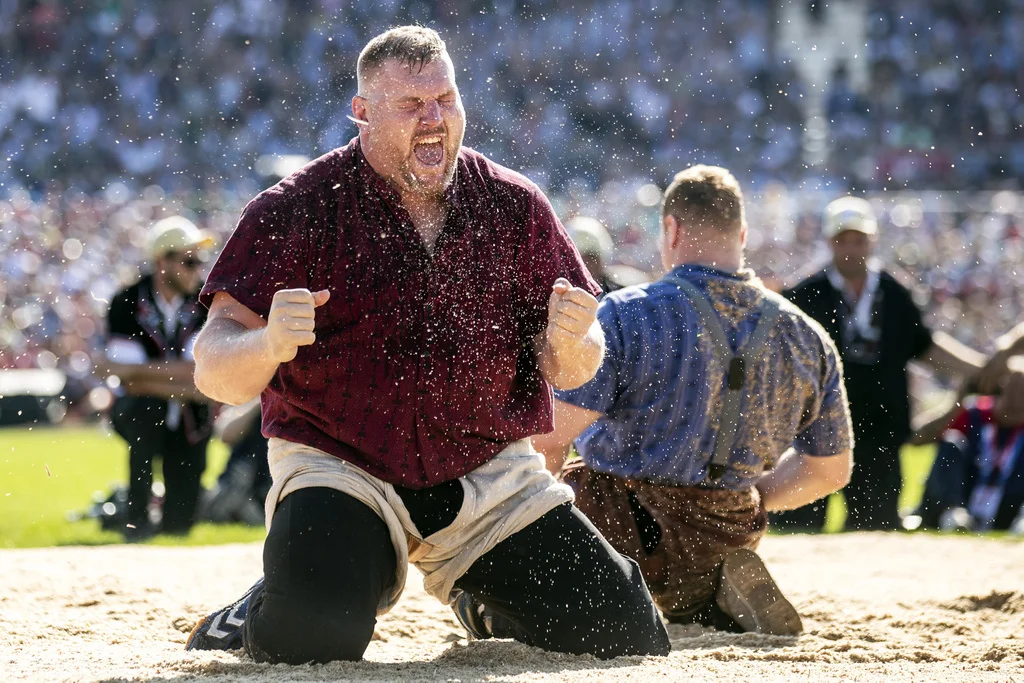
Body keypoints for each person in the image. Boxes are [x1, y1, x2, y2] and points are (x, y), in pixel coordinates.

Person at [184, 26, 669, 664]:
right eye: (412, 105)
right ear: (361, 113)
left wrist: (575, 341)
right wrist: (269, 342)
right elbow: (214, 372)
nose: (434, 119)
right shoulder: (294, 209)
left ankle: (485, 603)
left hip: (488, 475)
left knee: (627, 635)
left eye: (445, 98)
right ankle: (262, 606)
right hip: (342, 467)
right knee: (313, 637)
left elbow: (574, 364)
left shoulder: (516, 206)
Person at [532, 165, 854, 634]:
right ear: (741, 234)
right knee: (701, 571)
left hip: (621, 526)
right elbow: (830, 469)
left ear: (671, 229)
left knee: (497, 599)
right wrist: (758, 497)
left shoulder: (625, 315)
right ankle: (710, 595)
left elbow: (550, 439)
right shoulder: (808, 337)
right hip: (731, 526)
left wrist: (537, 531)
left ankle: (613, 594)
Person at [771, 196, 986, 531]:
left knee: (876, 528)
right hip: (813, 433)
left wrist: (983, 370)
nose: (851, 249)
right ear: (830, 242)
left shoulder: (895, 292)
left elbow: (925, 347)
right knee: (800, 526)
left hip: (880, 433)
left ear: (871, 242)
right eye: (843, 240)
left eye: (859, 240)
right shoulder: (806, 294)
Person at [99, 216, 214, 541]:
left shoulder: (207, 303)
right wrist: (188, 383)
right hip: (140, 414)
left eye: (200, 261)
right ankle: (135, 517)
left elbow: (202, 375)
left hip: (192, 420)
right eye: (190, 261)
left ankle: (145, 517)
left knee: (180, 526)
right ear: (163, 262)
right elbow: (132, 386)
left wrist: (144, 373)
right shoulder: (125, 302)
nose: (197, 270)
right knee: (147, 409)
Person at [907, 361, 1024, 534]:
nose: (1015, 403)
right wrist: (957, 403)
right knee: (951, 442)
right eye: (1010, 393)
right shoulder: (974, 413)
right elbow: (916, 439)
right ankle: (951, 514)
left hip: (1008, 505)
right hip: (963, 500)